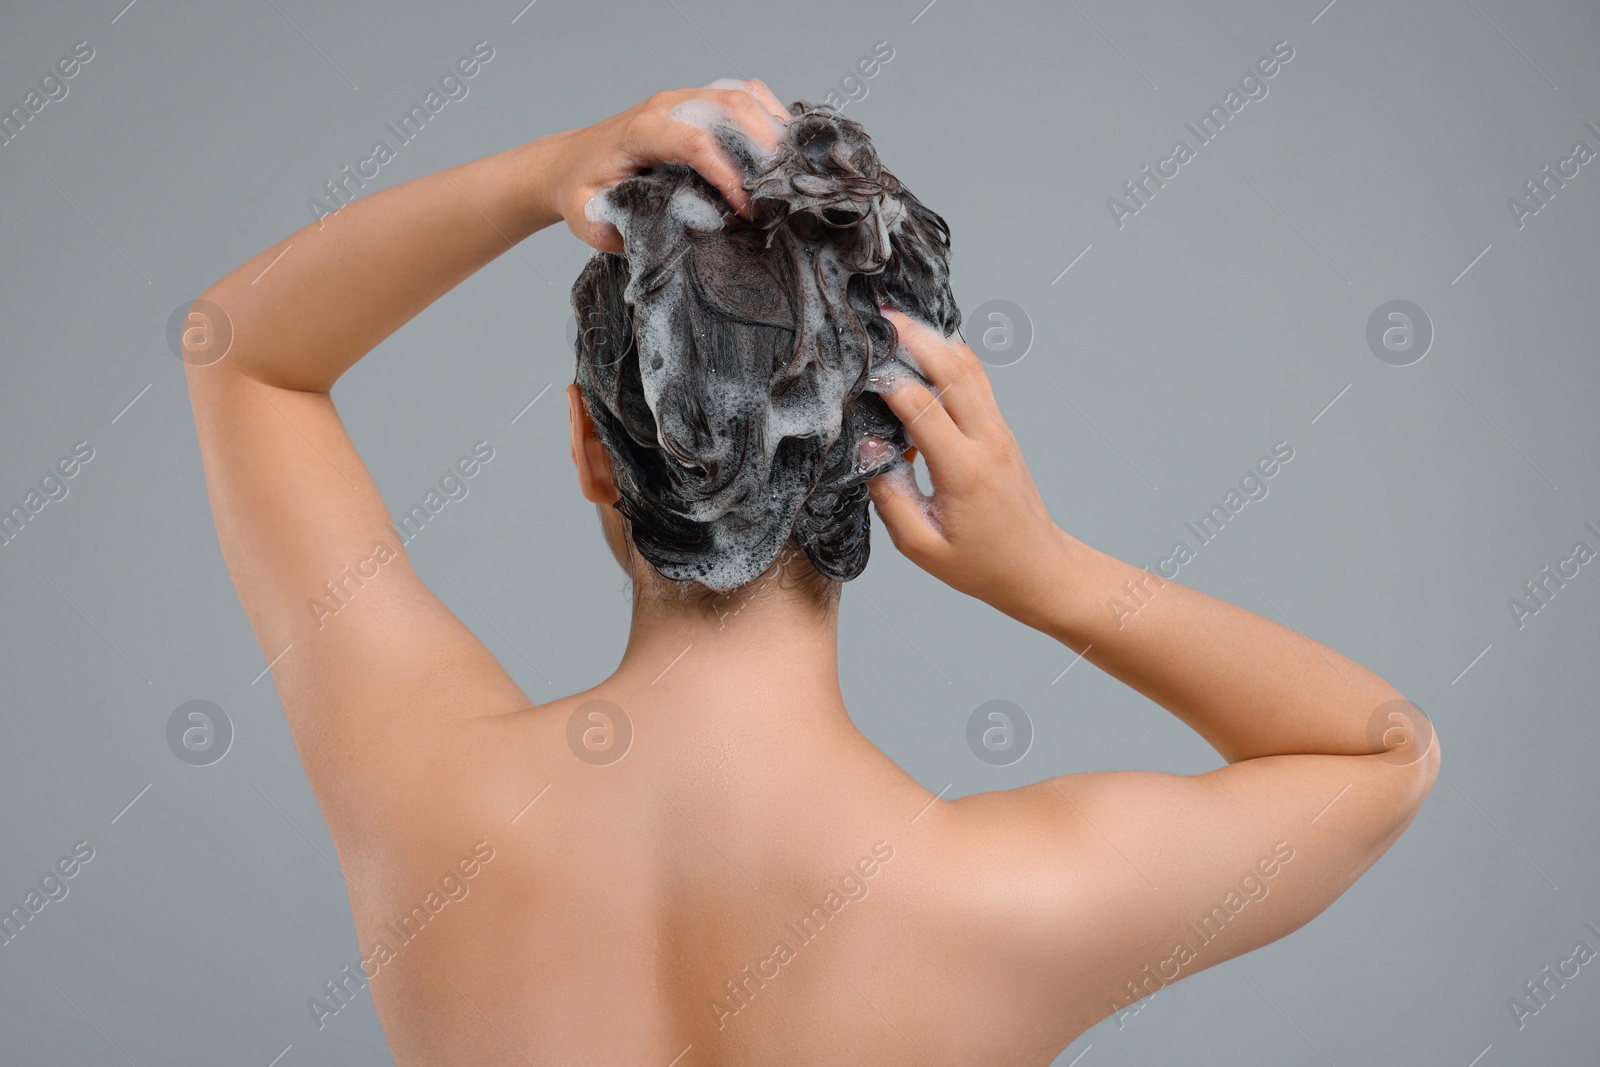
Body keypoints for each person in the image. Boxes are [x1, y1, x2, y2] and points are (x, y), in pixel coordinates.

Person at [182, 80, 1439, 1066]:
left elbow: (238, 352)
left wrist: (548, 172)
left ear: (587, 445)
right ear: (884, 456)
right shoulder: (1000, 901)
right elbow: (1381, 754)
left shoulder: (425, 797)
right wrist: (1042, 571)